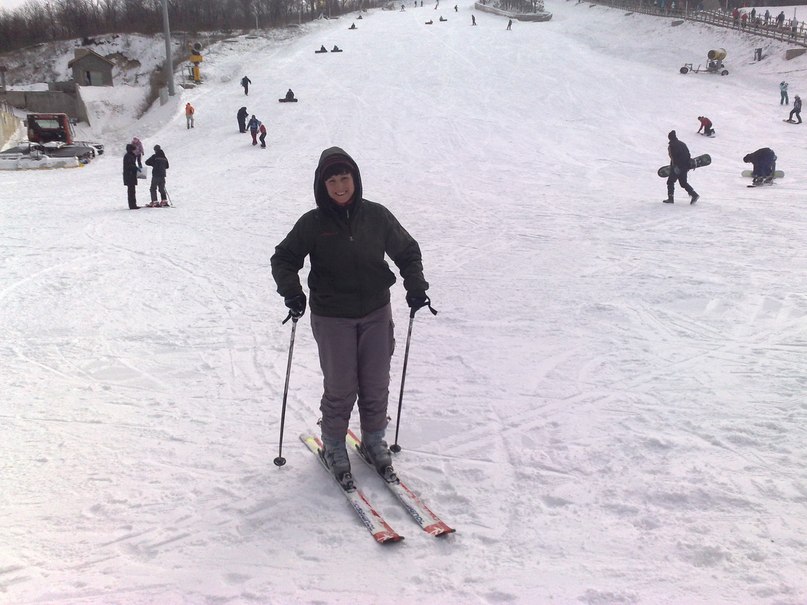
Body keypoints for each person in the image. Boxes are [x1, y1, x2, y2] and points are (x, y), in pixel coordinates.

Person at [270, 147, 432, 485]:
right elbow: (284, 258)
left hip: (376, 310)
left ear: (355, 179)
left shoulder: (376, 216)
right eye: (332, 180)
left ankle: (374, 440)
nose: (340, 186)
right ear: (322, 185)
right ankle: (333, 444)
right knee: (341, 386)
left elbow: (407, 250)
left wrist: (415, 285)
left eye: (345, 178)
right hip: (332, 317)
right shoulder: (312, 223)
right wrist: (293, 292)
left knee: (375, 381)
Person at [663, 130, 699, 204]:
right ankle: (694, 194)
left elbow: (673, 157)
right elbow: (688, 154)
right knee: (683, 183)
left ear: (670, 137)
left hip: (677, 167)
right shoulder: (683, 144)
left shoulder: (672, 145)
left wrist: (675, 166)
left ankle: (670, 198)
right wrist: (688, 165)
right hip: (685, 166)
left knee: (670, 182)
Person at [123, 144, 140, 210]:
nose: (135, 151)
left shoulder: (130, 155)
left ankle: (133, 204)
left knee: (132, 190)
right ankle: (132, 205)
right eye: (134, 150)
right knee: (131, 191)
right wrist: (136, 168)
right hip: (130, 175)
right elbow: (130, 165)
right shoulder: (129, 156)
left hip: (130, 175)